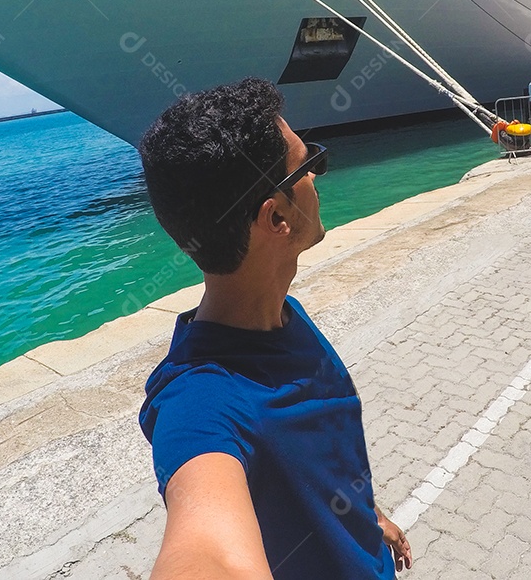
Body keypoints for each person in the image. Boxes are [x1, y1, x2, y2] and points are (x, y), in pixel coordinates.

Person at [137, 77, 413, 579]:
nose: (319, 180)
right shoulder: (200, 403)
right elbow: (208, 554)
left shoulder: (287, 314)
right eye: (312, 166)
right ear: (278, 217)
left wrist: (367, 519)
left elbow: (315, 465)